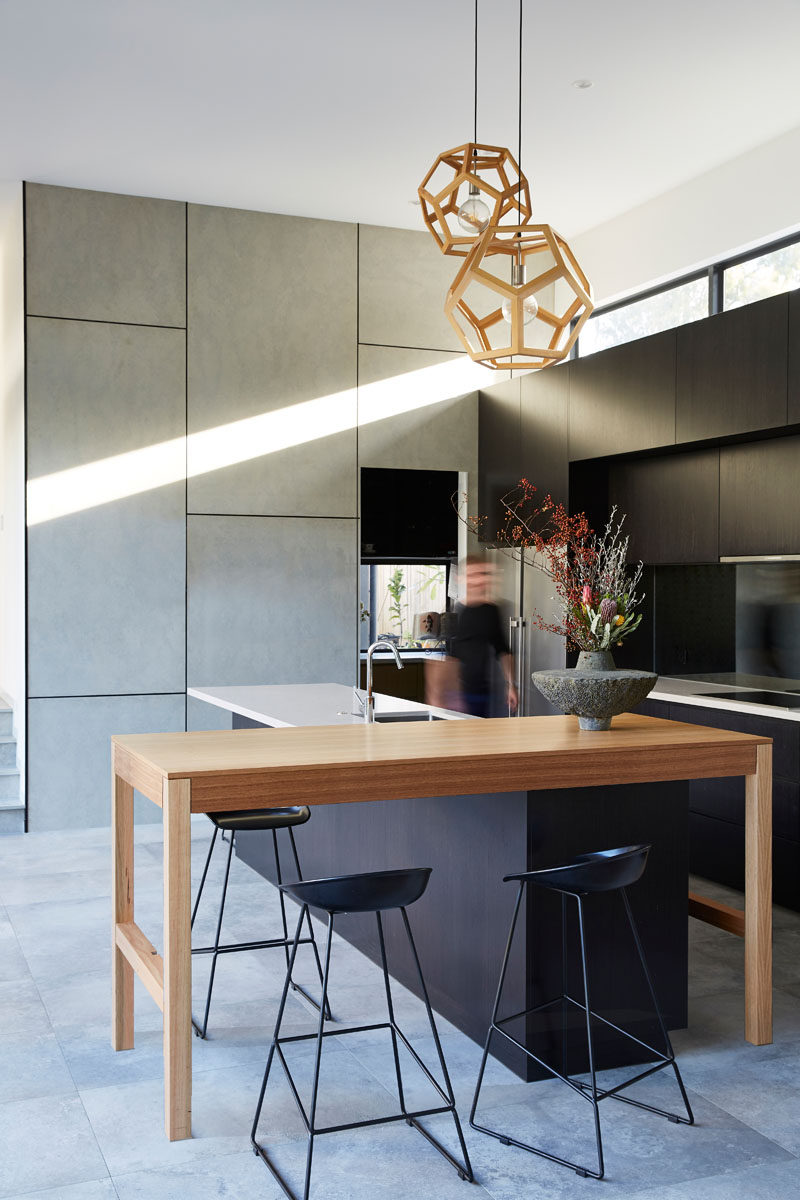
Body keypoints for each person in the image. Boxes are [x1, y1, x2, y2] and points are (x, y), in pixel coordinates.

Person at [428, 557, 518, 718]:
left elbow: (503, 649)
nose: (479, 579)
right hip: (456, 696)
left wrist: (511, 685)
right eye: (473, 574)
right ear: (461, 578)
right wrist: (438, 697)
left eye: (483, 574)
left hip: (486, 694)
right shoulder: (453, 613)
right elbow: (446, 660)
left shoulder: (492, 611)